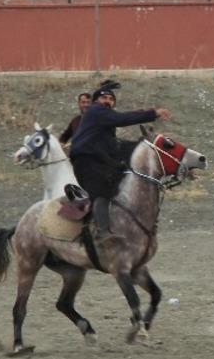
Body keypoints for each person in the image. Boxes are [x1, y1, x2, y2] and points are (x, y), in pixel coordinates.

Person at [69, 80, 172, 248]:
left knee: (125, 177)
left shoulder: (104, 124)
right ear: (96, 101)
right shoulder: (97, 112)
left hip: (99, 158)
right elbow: (123, 118)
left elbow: (114, 146)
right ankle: (102, 233)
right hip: (86, 159)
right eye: (104, 98)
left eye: (111, 99)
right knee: (102, 191)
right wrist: (153, 113)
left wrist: (138, 148)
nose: (108, 101)